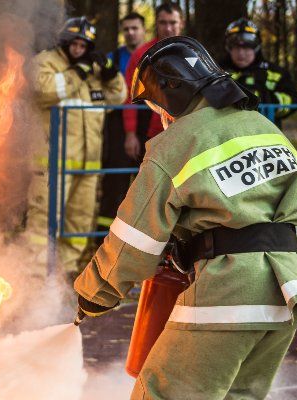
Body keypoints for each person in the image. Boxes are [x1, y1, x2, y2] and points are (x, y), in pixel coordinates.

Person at [74, 36, 297, 399]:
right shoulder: (263, 126)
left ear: (171, 91)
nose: (162, 116)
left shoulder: (177, 141)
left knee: (160, 393)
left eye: (158, 106)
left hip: (230, 290)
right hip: (289, 286)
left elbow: (134, 235)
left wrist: (93, 294)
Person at [25, 16, 126, 277]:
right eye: (75, 44)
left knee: (80, 223)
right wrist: (76, 73)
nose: (79, 50)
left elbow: (118, 97)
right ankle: (35, 277)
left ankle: (65, 274)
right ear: (65, 41)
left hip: (87, 164)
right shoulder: (45, 63)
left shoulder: (91, 70)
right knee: (44, 223)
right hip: (52, 163)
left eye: (85, 45)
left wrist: (111, 74)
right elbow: (44, 91)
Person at [96, 13, 147, 234]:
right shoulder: (113, 58)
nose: (131, 33)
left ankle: (139, 239)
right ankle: (103, 238)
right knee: (114, 184)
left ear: (143, 30)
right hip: (116, 125)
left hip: (144, 123)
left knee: (144, 185)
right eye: (126, 29)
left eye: (135, 28)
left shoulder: (152, 54)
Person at [123, 2, 184, 161]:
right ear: (156, 24)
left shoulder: (192, 51)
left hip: (185, 130)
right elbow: (129, 95)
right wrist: (130, 134)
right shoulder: (141, 54)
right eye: (163, 23)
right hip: (150, 132)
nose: (168, 28)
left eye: (173, 23)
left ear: (181, 23)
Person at [220, 18, 297, 128]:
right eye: (236, 48)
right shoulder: (217, 72)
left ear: (256, 48)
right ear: (229, 48)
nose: (241, 53)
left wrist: (271, 101)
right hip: (226, 134)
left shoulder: (276, 73)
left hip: (265, 136)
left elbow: (293, 102)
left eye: (247, 48)